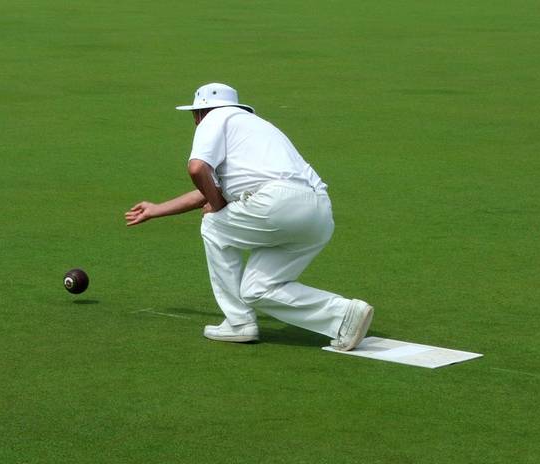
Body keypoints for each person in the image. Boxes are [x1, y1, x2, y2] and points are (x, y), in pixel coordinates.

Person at [125, 83, 373, 351]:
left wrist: (217, 205)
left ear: (200, 113)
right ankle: (344, 315)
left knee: (213, 225)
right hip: (319, 213)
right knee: (257, 289)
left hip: (276, 204)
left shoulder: (214, 118)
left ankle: (239, 322)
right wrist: (158, 209)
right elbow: (208, 187)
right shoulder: (256, 128)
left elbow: (197, 169)